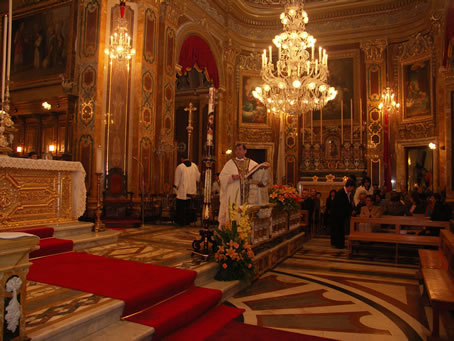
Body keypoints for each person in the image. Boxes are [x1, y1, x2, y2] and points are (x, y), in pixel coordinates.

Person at [218, 144, 269, 225]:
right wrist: (231, 177)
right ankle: (232, 230)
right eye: (236, 149)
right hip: (234, 193)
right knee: (234, 213)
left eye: (240, 149)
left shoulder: (252, 163)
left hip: (249, 194)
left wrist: (264, 166)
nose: (238, 151)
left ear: (245, 151)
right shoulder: (230, 163)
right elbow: (221, 177)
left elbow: (258, 173)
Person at [174, 157, 200, 226]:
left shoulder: (180, 167)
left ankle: (181, 222)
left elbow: (177, 181)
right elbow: (198, 178)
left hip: (183, 191)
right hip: (192, 190)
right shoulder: (194, 166)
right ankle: (189, 221)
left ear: (182, 159)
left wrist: (175, 187)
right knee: (189, 206)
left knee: (181, 207)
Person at [331, 179, 355, 249]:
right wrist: (349, 211)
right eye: (352, 187)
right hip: (338, 215)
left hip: (342, 215)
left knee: (341, 229)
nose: (353, 189)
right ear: (349, 186)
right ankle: (339, 244)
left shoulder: (348, 193)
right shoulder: (340, 193)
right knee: (339, 229)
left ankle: (340, 243)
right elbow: (341, 205)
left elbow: (348, 204)